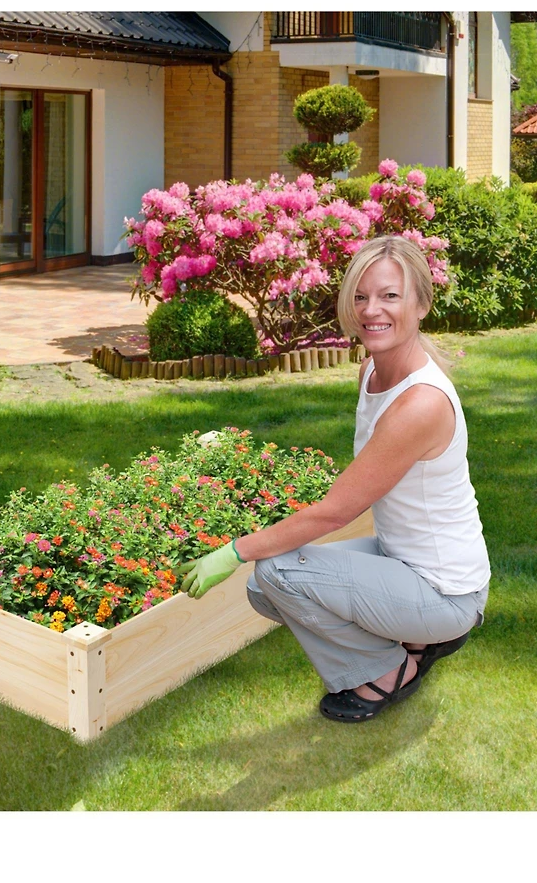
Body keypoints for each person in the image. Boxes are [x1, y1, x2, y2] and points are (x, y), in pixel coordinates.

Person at [175, 234, 491, 723]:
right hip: (401, 559)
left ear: (422, 304)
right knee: (264, 590)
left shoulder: (421, 403)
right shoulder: (371, 372)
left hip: (446, 592)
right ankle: (412, 639)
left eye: (390, 295)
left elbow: (337, 512)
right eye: (361, 296)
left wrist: (233, 551)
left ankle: (389, 671)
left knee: (275, 572)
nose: (371, 310)